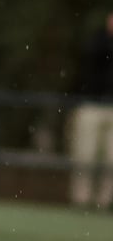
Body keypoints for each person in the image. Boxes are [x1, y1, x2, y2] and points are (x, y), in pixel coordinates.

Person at [69, 11, 113, 209]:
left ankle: (104, 203)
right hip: (91, 105)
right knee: (85, 155)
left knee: (110, 160)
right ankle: (81, 200)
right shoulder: (97, 41)